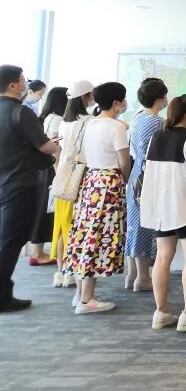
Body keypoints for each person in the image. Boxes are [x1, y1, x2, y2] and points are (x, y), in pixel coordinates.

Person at [141, 93, 186, 332]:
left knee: (163, 256)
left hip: (160, 207)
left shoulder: (157, 136)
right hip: (185, 205)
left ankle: (161, 311)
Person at [67, 81, 131, 314]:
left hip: (91, 181)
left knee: (85, 235)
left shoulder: (89, 123)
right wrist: (125, 179)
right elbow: (124, 162)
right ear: (116, 102)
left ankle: (80, 294)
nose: (125, 103)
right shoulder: (117, 128)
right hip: (109, 183)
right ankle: (87, 299)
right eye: (123, 99)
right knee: (99, 238)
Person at [0, 64, 59, 313]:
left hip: (3, 181)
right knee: (11, 240)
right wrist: (55, 145)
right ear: (13, 85)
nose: (26, 83)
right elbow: (44, 146)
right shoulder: (21, 112)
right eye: (23, 79)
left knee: (5, 239)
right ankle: (3, 296)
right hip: (19, 183)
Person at [125, 77, 168, 292]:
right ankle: (142, 277)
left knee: (134, 224)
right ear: (159, 99)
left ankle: (132, 274)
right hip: (149, 177)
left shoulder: (137, 118)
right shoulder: (158, 123)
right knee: (146, 225)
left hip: (135, 175)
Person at [51, 80, 93, 290]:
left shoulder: (63, 122)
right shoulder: (89, 121)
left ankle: (61, 271)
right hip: (81, 177)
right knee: (76, 227)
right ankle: (73, 271)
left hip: (62, 177)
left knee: (62, 226)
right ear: (85, 96)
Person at [27, 86, 67, 267]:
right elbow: (55, 148)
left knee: (43, 207)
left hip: (45, 167)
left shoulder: (46, 117)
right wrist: (60, 174)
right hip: (52, 167)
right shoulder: (57, 119)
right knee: (46, 209)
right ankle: (38, 253)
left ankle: (38, 251)